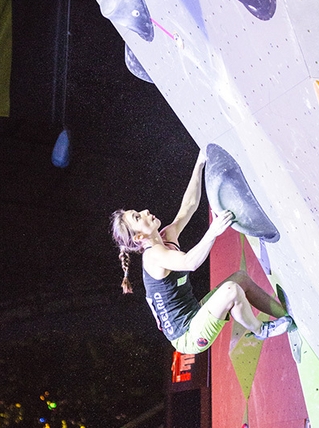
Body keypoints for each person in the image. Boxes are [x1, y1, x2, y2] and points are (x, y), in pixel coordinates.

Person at [110, 151, 293, 354]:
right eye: (137, 217)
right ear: (138, 238)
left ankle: (288, 317)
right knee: (231, 290)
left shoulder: (166, 235)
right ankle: (261, 330)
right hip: (188, 336)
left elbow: (188, 207)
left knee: (241, 278)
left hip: (194, 314)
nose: (145, 211)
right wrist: (213, 231)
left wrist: (199, 164)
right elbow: (190, 262)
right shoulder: (153, 257)